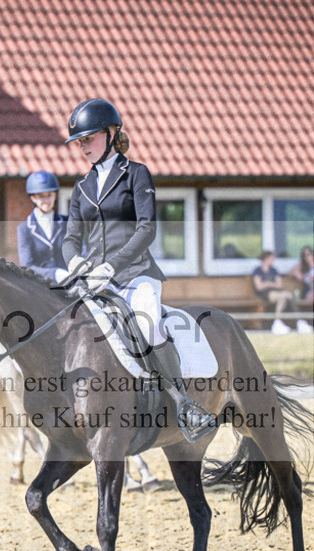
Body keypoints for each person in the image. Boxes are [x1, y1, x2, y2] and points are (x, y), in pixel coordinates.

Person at [61, 97, 213, 440]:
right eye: (79, 141)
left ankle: (183, 404)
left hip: (135, 275)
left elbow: (147, 229)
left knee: (149, 323)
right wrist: (75, 261)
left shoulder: (136, 174)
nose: (82, 147)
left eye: (88, 138)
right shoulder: (81, 187)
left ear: (112, 134)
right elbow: (70, 237)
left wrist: (111, 267)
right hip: (95, 281)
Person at [16, 170, 70, 282]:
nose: (46, 201)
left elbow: (81, 250)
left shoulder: (67, 222)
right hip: (40, 288)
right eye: (41, 196)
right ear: (33, 198)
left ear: (55, 195)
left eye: (49, 195)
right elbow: (27, 266)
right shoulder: (24, 229)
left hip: (70, 283)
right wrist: (54, 273)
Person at [251, 250, 313, 335]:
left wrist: (267, 283)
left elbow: (280, 285)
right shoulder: (257, 270)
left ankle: (299, 321)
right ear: (266, 258)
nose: (273, 260)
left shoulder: (274, 270)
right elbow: (259, 287)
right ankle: (277, 323)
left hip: (277, 293)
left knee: (289, 295)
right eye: (272, 258)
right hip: (265, 294)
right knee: (282, 296)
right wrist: (272, 284)